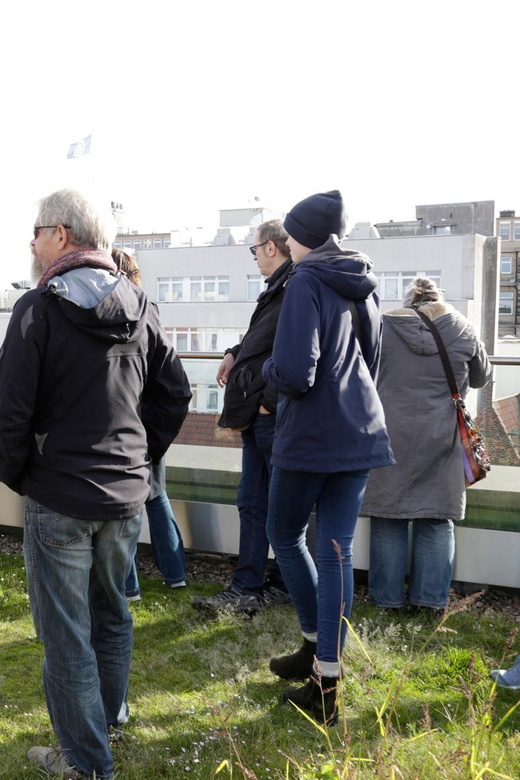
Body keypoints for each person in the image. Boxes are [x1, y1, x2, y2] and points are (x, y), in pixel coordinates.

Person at [0, 189, 191, 779]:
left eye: (35, 230)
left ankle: (85, 763)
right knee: (111, 617)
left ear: (61, 235)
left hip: (60, 497)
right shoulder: (139, 304)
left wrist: (22, 477)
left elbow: (10, 414)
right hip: (124, 495)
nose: (29, 241)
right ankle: (102, 728)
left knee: (68, 638)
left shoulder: (37, 309)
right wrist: (138, 457)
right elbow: (176, 392)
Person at [262, 190, 395, 725]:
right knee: (337, 551)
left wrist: (267, 378)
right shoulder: (364, 281)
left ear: (305, 239)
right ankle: (326, 673)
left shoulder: (306, 282)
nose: (285, 242)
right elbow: (372, 361)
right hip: (360, 431)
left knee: (285, 534)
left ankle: (316, 645)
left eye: (290, 234)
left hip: (312, 436)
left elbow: (295, 372)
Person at [362, 277, 491, 613]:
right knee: (436, 517)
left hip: (390, 434)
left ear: (411, 302)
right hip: (442, 436)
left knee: (388, 515)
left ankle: (386, 601)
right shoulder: (463, 328)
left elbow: (365, 367)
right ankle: (429, 602)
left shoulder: (384, 326)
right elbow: (480, 377)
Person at [192, 219, 293, 614]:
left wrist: (268, 401)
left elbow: (297, 351)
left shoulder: (293, 286)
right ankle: (251, 585)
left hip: (269, 413)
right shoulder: (279, 288)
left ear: (270, 246)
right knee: (254, 500)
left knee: (265, 502)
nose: (254, 258)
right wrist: (235, 351)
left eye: (254, 249)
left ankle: (263, 585)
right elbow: (264, 338)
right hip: (259, 411)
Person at [111, 249, 186, 600]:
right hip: (152, 423)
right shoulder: (148, 309)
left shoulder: (111, 312)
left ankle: (129, 586)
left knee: (120, 507)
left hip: (127, 424)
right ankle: (175, 575)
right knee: (157, 497)